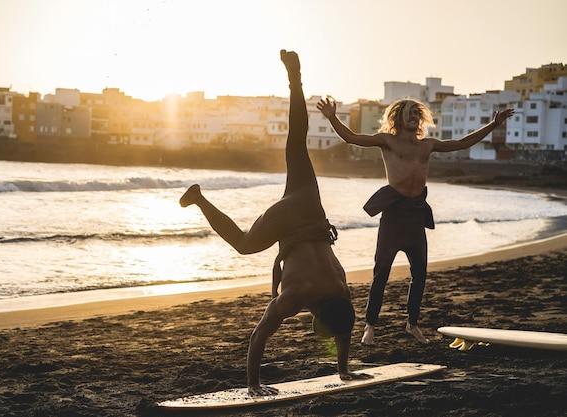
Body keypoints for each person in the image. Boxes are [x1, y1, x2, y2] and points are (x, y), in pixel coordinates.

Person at [180, 50, 371, 396]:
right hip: (290, 222)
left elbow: (345, 328)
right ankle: (199, 198)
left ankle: (295, 78)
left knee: (296, 143)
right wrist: (253, 385)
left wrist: (345, 372)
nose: (327, 335)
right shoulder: (295, 298)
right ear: (318, 318)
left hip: (311, 205)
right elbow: (258, 336)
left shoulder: (343, 294)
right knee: (243, 244)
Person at [317, 96, 514, 345]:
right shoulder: (385, 140)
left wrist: (493, 125)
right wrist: (333, 117)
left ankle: (412, 324)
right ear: (398, 117)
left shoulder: (427, 145)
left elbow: (463, 143)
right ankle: (370, 325)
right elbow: (352, 138)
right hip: (394, 217)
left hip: (416, 216)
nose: (414, 117)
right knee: (381, 272)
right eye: (410, 113)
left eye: (417, 114)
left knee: (420, 274)